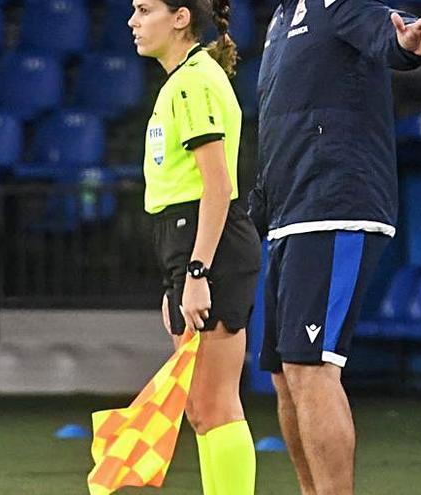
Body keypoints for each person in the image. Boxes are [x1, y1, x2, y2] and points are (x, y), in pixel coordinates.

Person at [249, 1, 421, 493]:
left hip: (334, 201)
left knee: (312, 367)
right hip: (290, 212)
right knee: (285, 372)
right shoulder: (281, 18)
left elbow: (385, 32)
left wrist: (408, 47)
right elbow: (281, 121)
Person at [128, 1, 260, 493]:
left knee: (215, 403)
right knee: (199, 406)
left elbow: (217, 183)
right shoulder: (182, 80)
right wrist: (178, 277)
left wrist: (198, 271)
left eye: (144, 10)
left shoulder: (193, 81)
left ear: (180, 18)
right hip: (186, 243)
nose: (133, 22)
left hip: (209, 245)